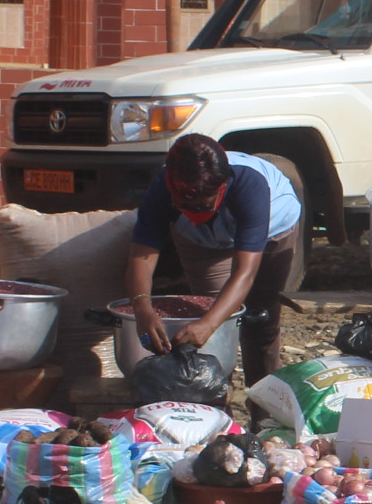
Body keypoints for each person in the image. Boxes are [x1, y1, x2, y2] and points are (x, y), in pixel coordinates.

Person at [124, 134, 305, 385]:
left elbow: (244, 273)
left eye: (202, 207)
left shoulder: (250, 185)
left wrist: (208, 324)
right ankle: (216, 401)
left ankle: (264, 402)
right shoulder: (163, 186)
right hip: (202, 241)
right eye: (182, 205)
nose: (193, 212)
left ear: (222, 188)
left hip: (273, 229)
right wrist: (142, 308)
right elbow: (142, 256)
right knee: (213, 322)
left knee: (260, 320)